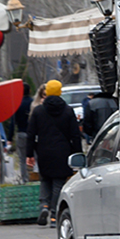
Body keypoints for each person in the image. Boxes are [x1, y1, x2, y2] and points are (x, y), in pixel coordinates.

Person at [27, 80, 81, 228]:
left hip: (43, 150)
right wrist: (78, 154)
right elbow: (75, 135)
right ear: (60, 92)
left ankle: (43, 205)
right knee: (58, 182)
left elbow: (31, 133)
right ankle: (53, 215)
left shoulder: (38, 111)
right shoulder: (68, 110)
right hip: (62, 151)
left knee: (45, 179)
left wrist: (29, 154)